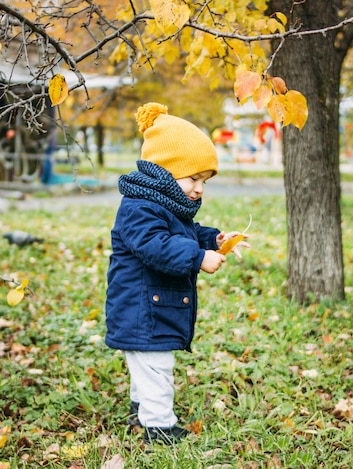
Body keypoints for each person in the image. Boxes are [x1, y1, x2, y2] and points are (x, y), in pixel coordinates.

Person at [105, 102, 248, 445]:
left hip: (150, 307)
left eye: (205, 181)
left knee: (148, 367)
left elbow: (182, 232)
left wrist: (213, 239)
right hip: (141, 309)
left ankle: (141, 411)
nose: (199, 189)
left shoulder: (164, 205)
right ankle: (159, 427)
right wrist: (199, 258)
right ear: (165, 172)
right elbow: (157, 245)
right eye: (194, 178)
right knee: (156, 368)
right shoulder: (139, 208)